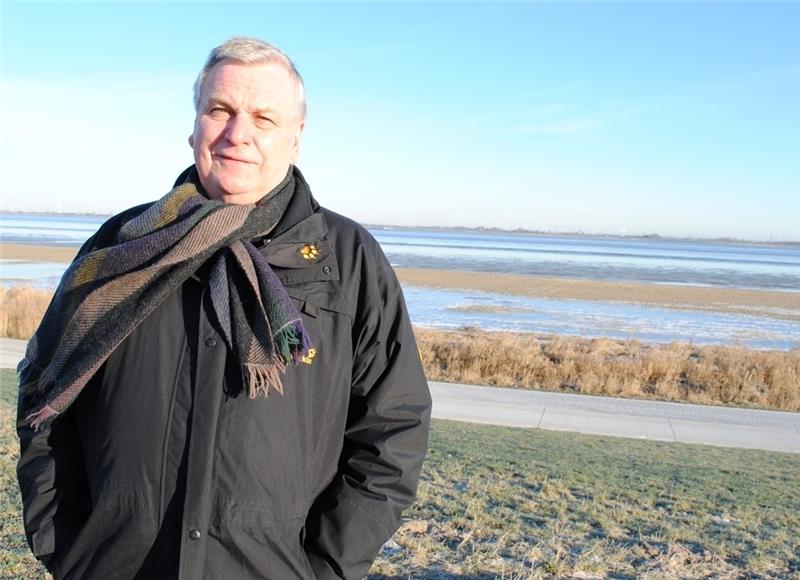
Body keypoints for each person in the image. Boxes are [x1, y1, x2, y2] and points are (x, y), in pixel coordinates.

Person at [17, 37, 431, 580]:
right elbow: (47, 392)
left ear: (296, 138)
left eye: (264, 117)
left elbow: (392, 428)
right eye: (221, 111)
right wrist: (68, 548)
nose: (239, 135)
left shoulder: (347, 260)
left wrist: (325, 568)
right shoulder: (122, 244)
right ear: (194, 127)